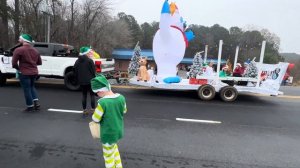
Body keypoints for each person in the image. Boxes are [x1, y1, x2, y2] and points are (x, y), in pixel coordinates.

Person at [91, 74, 127, 168]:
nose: (97, 95)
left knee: (108, 157)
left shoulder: (102, 103)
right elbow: (124, 111)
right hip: (118, 131)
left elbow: (95, 119)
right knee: (115, 150)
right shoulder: (121, 98)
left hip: (108, 134)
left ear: (100, 91)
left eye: (96, 93)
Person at [12, 34, 42, 112]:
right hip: (34, 72)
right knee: (32, 87)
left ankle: (30, 106)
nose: (18, 40)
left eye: (20, 39)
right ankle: (36, 103)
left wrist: (19, 69)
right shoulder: (35, 50)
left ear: (24, 40)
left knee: (27, 89)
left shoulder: (18, 50)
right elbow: (39, 62)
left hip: (24, 72)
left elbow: (14, 63)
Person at [74, 46, 96, 117]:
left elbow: (74, 71)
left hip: (82, 81)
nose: (90, 53)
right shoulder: (90, 61)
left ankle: (85, 110)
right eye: (89, 52)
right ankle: (93, 110)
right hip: (90, 81)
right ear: (86, 53)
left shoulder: (77, 61)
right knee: (92, 95)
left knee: (84, 95)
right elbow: (93, 71)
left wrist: (78, 79)